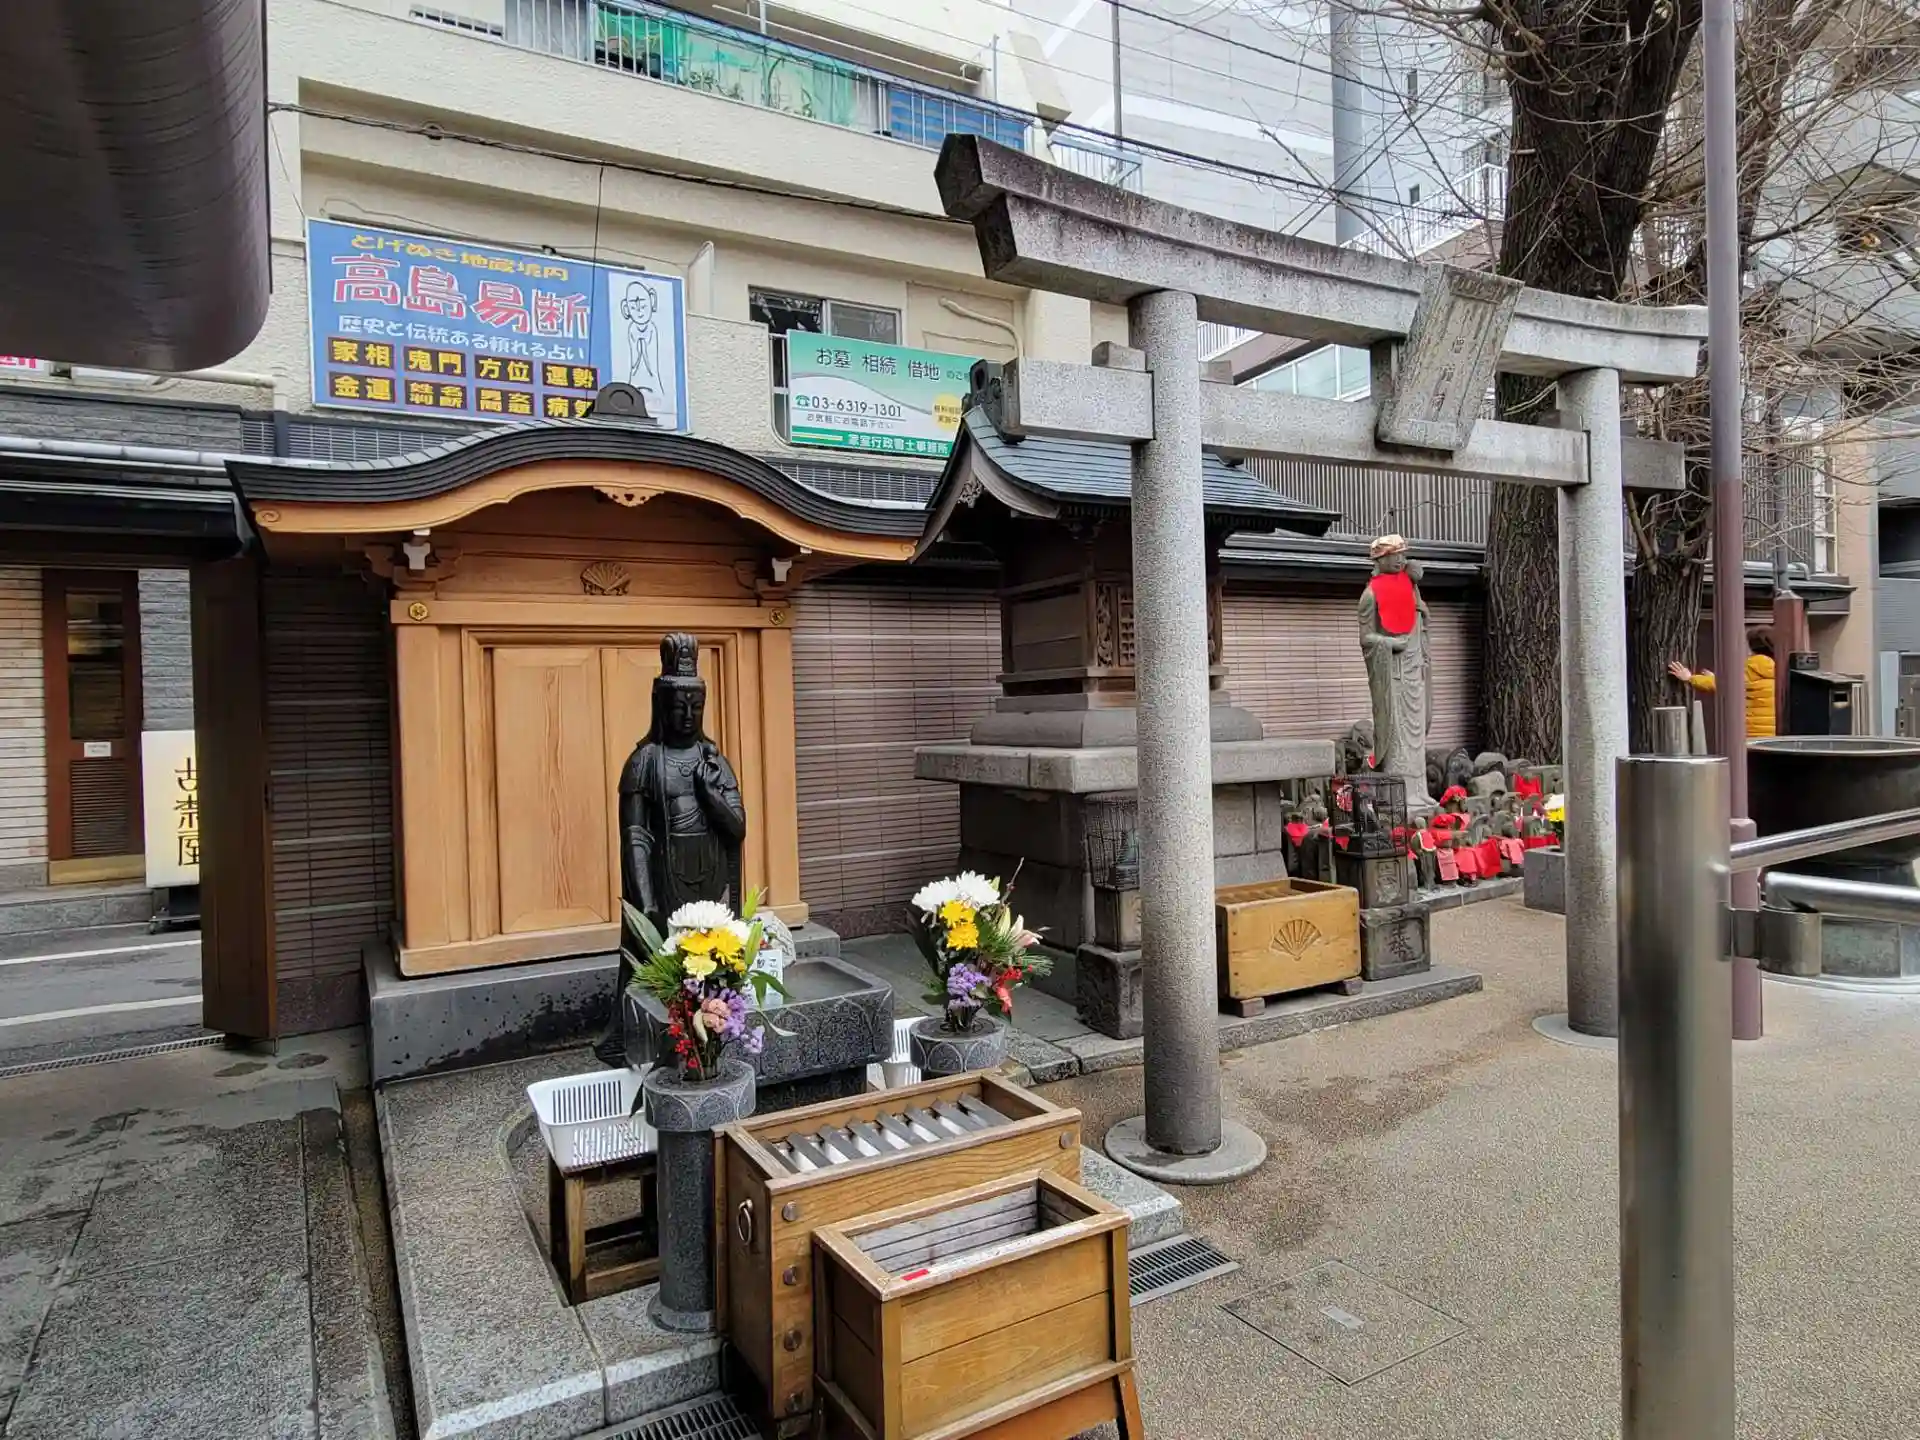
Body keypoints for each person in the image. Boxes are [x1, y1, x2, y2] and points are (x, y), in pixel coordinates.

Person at [1667, 628, 1777, 739]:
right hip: (1774, 735)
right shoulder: (1778, 666)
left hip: (1752, 734)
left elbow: (1722, 684)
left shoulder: (1751, 666)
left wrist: (1690, 678)